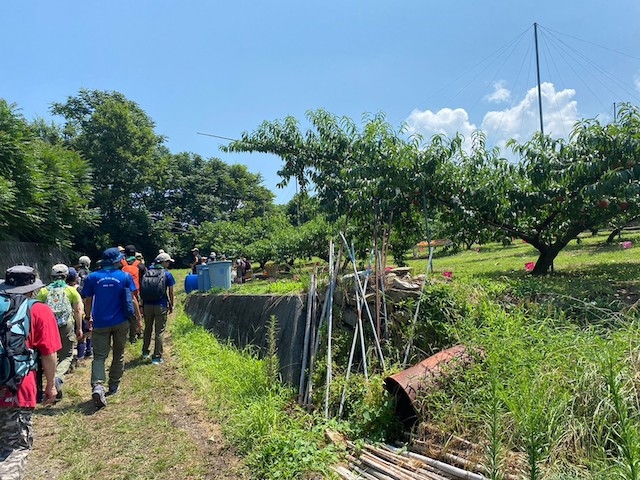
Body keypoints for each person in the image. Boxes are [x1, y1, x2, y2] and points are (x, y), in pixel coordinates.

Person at [0, 265, 61, 479]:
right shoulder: (38, 310)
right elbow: (48, 353)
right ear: (32, 288)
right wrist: (51, 385)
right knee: (14, 449)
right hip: (16, 388)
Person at [81, 247, 140, 409]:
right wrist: (138, 319)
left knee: (99, 356)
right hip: (121, 322)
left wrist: (88, 317)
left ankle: (98, 385)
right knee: (118, 353)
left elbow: (87, 299)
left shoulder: (93, 277)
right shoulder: (125, 276)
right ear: (116, 261)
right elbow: (133, 299)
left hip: (100, 323)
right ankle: (113, 385)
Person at [36, 264, 83, 400]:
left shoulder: (44, 291)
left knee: (49, 353)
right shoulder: (71, 291)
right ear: (67, 276)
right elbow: (78, 310)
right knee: (67, 355)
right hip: (66, 324)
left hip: (48, 326)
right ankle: (57, 377)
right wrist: (79, 328)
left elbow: (37, 309)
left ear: (52, 276)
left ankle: (50, 380)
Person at [140, 252, 176, 365]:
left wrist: (142, 305)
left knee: (148, 329)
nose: (169, 264)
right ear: (164, 262)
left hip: (147, 305)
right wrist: (171, 305)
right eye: (168, 262)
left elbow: (142, 289)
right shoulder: (167, 274)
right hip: (160, 305)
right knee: (159, 332)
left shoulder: (147, 272)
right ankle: (156, 357)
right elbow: (171, 291)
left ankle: (145, 352)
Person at [121, 244, 147, 343]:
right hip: (137, 292)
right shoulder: (140, 265)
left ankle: (124, 333)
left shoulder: (120, 264)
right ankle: (136, 332)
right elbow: (145, 281)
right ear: (135, 253)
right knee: (136, 312)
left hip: (122, 292)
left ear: (125, 253)